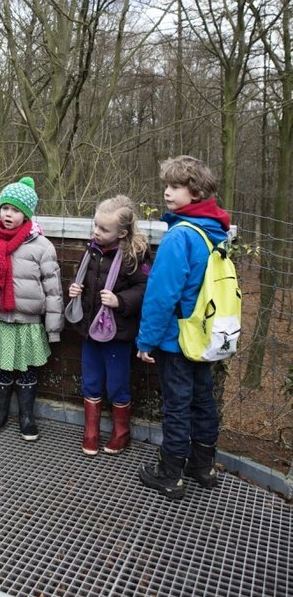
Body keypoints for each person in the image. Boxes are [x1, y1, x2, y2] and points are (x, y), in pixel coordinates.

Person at [136, 155, 231, 500]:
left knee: (177, 405)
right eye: (166, 185)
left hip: (177, 338)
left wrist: (146, 340)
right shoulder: (216, 231)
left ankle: (170, 473)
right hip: (204, 335)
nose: (167, 192)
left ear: (195, 192)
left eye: (175, 187)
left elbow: (162, 296)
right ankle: (203, 467)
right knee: (203, 400)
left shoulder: (180, 236)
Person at [0, 177, 64, 441]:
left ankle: (27, 417)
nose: (8, 213)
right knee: (3, 371)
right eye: (5, 207)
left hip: (28, 323)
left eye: (15, 210)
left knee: (27, 371)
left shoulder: (42, 247)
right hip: (1, 320)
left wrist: (53, 329)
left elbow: (53, 291)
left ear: (26, 214)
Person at [66, 196, 150, 457]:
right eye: (95, 226)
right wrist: (74, 287)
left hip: (117, 334)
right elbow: (85, 278)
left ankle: (121, 433)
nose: (96, 232)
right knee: (90, 381)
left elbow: (145, 287)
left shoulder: (133, 256)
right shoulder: (92, 249)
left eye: (104, 229)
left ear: (122, 233)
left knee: (117, 384)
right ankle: (90, 432)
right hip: (89, 330)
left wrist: (120, 300)